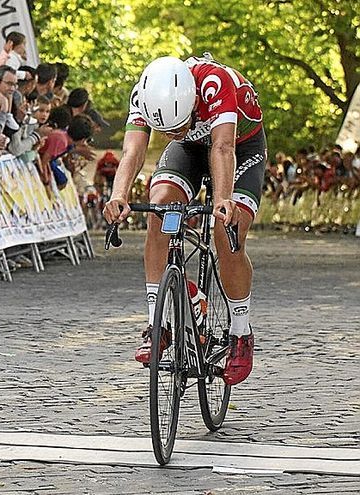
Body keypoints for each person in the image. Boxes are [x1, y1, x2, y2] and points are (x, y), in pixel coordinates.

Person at [103, 56, 266, 386]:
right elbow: (132, 152)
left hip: (240, 145)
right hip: (189, 152)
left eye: (180, 125)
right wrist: (118, 195)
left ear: (192, 101)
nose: (175, 132)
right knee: (159, 206)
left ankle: (240, 330)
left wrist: (222, 200)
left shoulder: (214, 83)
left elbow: (222, 147)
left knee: (227, 230)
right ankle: (157, 324)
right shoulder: (144, 94)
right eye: (167, 131)